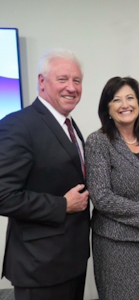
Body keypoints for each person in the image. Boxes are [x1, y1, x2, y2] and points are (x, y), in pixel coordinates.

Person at [0, 49, 89, 300]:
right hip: (39, 267)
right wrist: (62, 205)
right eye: (62, 79)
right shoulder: (18, 125)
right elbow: (3, 195)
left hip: (71, 262)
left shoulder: (68, 124)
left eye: (77, 81)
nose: (71, 88)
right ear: (42, 81)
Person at [85, 76, 139, 299]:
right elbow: (101, 197)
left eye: (130, 98)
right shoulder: (98, 141)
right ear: (107, 108)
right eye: (116, 100)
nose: (125, 105)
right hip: (116, 246)